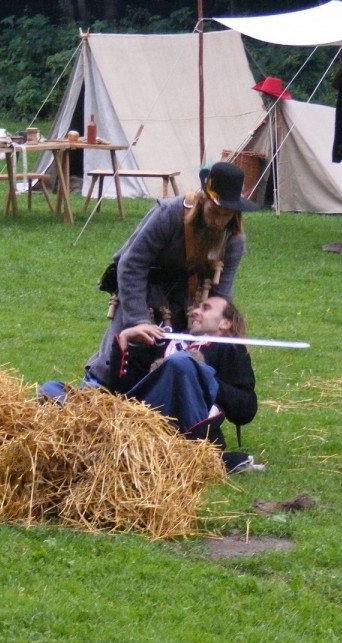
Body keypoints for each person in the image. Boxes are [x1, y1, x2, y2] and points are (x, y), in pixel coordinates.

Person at [85, 161, 259, 388]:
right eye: (214, 212)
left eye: (226, 215)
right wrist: (138, 320)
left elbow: (221, 291)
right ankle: (89, 397)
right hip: (142, 291)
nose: (219, 221)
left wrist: (217, 330)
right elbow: (131, 264)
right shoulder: (168, 214)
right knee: (121, 356)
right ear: (202, 200)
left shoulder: (233, 240)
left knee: (174, 362)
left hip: (186, 300)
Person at [103, 296, 260, 473]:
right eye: (197, 307)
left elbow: (246, 409)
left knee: (182, 363)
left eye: (206, 308)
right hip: (145, 429)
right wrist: (125, 338)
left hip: (194, 432)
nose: (195, 311)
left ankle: (187, 456)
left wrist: (202, 376)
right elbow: (118, 394)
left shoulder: (229, 349)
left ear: (225, 323)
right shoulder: (162, 342)